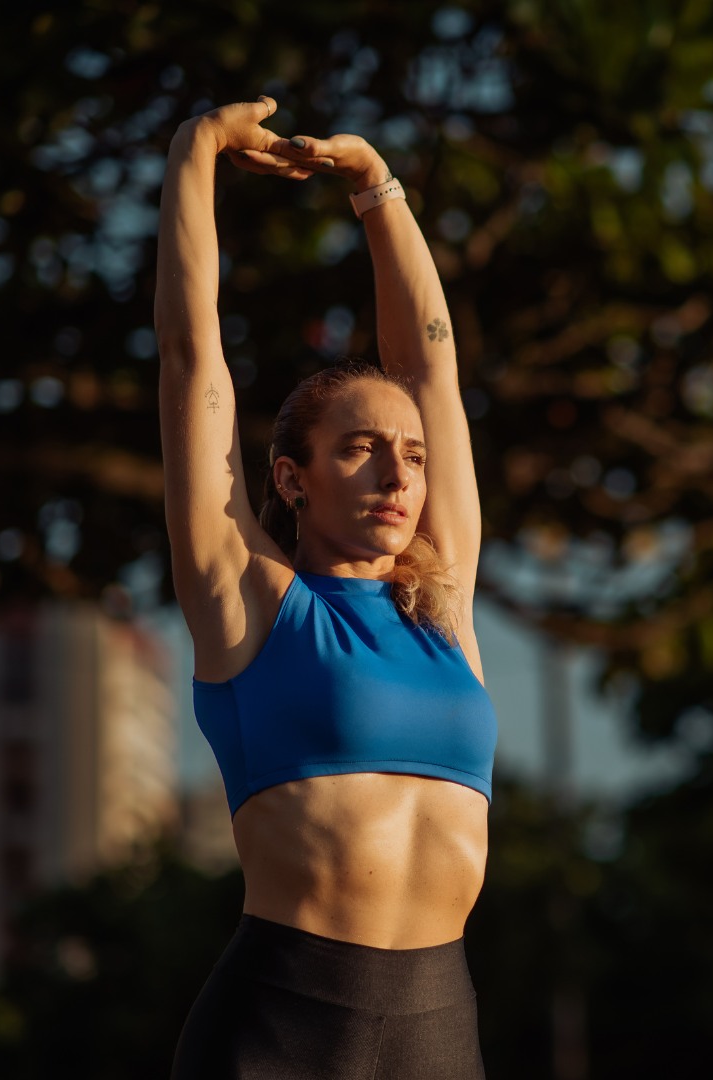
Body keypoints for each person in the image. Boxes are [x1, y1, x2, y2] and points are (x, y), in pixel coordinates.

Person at [155, 95, 497, 1079]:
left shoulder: (444, 606)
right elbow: (192, 360)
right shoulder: (250, 602)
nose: (398, 475)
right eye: (360, 450)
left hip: (439, 1025)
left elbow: (430, 366)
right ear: (292, 477)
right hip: (282, 1029)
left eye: (412, 458)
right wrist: (193, 158)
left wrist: (376, 190)